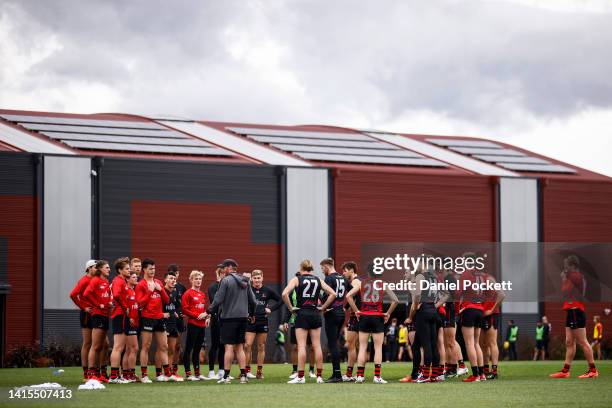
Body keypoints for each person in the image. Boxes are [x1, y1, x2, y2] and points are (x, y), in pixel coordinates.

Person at [283, 259, 336, 384]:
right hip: (315, 314)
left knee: (301, 346)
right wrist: (322, 308)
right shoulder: (318, 279)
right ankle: (319, 376)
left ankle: (301, 376)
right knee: (317, 346)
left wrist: (291, 308)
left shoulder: (297, 279)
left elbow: (284, 293)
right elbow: (333, 294)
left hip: (302, 314)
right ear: (311, 269)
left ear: (301, 268)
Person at [207, 259, 257, 384]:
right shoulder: (246, 281)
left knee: (229, 347)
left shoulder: (226, 280)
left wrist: (209, 311)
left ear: (229, 268)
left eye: (224, 267)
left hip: (228, 318)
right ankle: (244, 376)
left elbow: (218, 299)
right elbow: (254, 301)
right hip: (243, 318)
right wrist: (251, 314)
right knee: (240, 348)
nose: (223, 270)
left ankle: (226, 377)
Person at [346, 265, 398, 384]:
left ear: (368, 272)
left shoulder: (361, 283)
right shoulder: (383, 284)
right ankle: (377, 376)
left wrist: (356, 311)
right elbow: (395, 300)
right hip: (377, 316)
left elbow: (348, 296)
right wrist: (388, 314)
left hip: (364, 316)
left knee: (363, 347)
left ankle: (359, 376)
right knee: (378, 347)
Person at [550, 255, 598, 378]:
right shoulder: (574, 276)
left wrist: (563, 279)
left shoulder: (574, 276)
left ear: (572, 266)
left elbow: (565, 291)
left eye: (566, 265)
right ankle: (565, 371)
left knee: (583, 342)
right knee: (569, 342)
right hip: (572, 312)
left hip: (576, 311)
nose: (564, 267)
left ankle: (593, 370)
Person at [407, 263, 448, 383]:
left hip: (423, 312)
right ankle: (434, 374)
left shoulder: (421, 276)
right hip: (433, 312)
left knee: (426, 345)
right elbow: (446, 294)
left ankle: (425, 376)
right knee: (431, 344)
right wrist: (435, 305)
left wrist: (415, 306)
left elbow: (417, 294)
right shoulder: (434, 277)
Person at [136, 258, 172, 383]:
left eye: (154, 269)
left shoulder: (158, 282)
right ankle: (144, 375)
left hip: (159, 318)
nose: (153, 271)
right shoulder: (141, 284)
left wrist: (160, 289)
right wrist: (149, 292)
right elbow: (139, 303)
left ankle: (166, 374)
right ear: (144, 269)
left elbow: (167, 301)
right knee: (146, 346)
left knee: (164, 346)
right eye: (150, 269)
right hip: (147, 318)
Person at [245, 269, 282, 379]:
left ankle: (259, 371)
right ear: (252, 279)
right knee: (247, 346)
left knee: (261, 346)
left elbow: (281, 300)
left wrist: (271, 309)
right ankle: (246, 371)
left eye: (259, 278)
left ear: (262, 278)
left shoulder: (268, 290)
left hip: (263, 321)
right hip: (250, 321)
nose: (257, 280)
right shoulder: (247, 289)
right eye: (255, 278)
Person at [458, 254, 487, 382]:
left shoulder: (466, 274)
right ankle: (482, 374)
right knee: (476, 343)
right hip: (480, 309)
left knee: (469, 343)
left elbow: (459, 291)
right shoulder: (482, 275)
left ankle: (475, 375)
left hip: (469, 309)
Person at [82, 260, 113, 382]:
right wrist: (97, 304)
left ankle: (99, 373)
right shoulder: (95, 280)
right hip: (98, 315)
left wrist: (108, 303)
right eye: (107, 267)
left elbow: (105, 296)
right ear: (100, 269)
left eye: (109, 267)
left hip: (105, 315)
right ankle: (90, 374)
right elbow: (86, 294)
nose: (109, 269)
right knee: (95, 346)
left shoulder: (105, 281)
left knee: (102, 345)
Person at [70, 259, 99, 382]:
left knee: (99, 343)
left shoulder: (97, 279)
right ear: (89, 268)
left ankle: (96, 371)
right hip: (87, 314)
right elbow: (73, 294)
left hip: (96, 313)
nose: (97, 269)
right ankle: (86, 373)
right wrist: (83, 307)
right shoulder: (84, 280)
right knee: (88, 343)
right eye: (95, 267)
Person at [320, 258, 349, 382]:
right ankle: (335, 373)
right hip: (340, 313)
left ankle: (337, 375)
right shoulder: (343, 278)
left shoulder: (329, 278)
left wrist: (323, 307)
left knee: (332, 344)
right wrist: (345, 307)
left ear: (327, 266)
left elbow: (329, 295)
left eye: (322, 269)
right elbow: (354, 292)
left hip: (331, 312)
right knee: (335, 342)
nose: (322, 271)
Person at [182, 270, 209, 381]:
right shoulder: (188, 293)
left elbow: (204, 310)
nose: (198, 281)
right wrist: (197, 315)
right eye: (196, 279)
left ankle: (197, 373)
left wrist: (207, 317)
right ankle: (188, 374)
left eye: (199, 279)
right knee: (188, 349)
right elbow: (184, 309)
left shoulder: (202, 294)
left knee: (198, 349)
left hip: (202, 325)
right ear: (191, 280)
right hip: (193, 324)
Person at [109, 257, 131, 383]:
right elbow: (116, 295)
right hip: (120, 315)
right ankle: (113, 376)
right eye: (127, 269)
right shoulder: (119, 280)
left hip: (121, 315)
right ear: (120, 270)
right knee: (118, 347)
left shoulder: (122, 280)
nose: (129, 270)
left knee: (120, 347)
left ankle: (116, 375)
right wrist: (125, 307)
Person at [158, 271, 183, 381]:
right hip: (163, 323)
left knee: (171, 349)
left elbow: (175, 306)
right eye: (171, 278)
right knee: (162, 348)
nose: (173, 280)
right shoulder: (161, 292)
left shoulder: (175, 292)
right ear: (165, 280)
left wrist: (175, 313)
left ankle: (169, 372)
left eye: (174, 278)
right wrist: (162, 315)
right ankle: (160, 373)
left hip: (173, 323)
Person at [480, 272, 504, 379]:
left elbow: (502, 295)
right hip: (481, 314)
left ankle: (494, 371)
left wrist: (492, 310)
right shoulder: (475, 280)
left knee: (492, 343)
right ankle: (485, 370)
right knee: (483, 344)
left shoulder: (489, 279)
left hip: (491, 315)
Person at [341, 261, 360, 382]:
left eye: (345, 270)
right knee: (355, 346)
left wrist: (355, 310)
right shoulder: (356, 281)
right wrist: (346, 307)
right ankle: (357, 374)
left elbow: (353, 298)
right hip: (357, 316)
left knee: (351, 345)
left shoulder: (355, 281)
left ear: (351, 270)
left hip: (356, 316)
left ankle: (349, 374)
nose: (343, 273)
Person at [207, 264, 226, 379]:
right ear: (219, 274)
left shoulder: (226, 286)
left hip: (225, 320)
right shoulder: (213, 286)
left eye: (226, 273)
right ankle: (210, 371)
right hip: (216, 319)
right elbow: (215, 302)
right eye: (223, 273)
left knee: (223, 346)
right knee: (215, 345)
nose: (225, 276)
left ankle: (221, 370)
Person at [168, 264, 186, 377]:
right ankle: (166, 370)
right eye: (172, 274)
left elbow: (184, 303)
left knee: (178, 345)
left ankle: (174, 369)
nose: (174, 277)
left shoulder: (181, 287)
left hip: (179, 320)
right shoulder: (164, 287)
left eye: (176, 274)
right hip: (168, 319)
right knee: (168, 346)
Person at [122, 271, 140, 382]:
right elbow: (124, 307)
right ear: (128, 279)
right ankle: (130, 374)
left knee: (129, 349)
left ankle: (126, 374)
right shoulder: (126, 291)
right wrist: (129, 318)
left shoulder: (134, 291)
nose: (136, 278)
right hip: (129, 322)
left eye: (136, 277)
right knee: (134, 348)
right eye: (133, 277)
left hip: (135, 322)